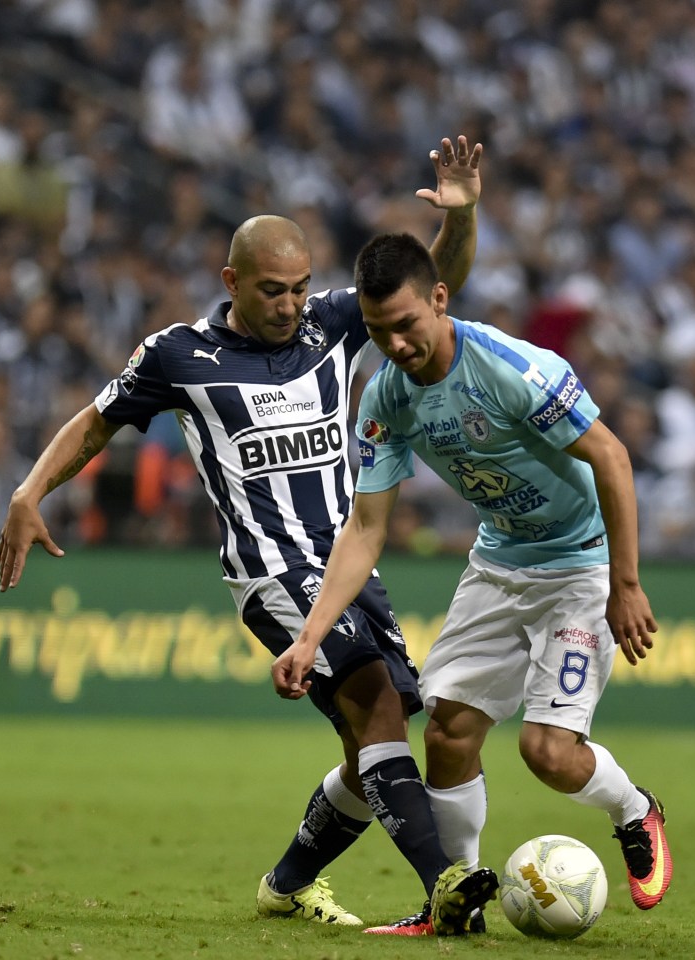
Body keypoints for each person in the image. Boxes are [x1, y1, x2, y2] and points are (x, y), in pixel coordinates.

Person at [0, 136, 499, 935]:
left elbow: (437, 285)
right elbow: (96, 422)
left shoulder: (332, 324)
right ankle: (445, 883)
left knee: (373, 751)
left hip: (346, 565)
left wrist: (464, 212)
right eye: (273, 291)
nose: (293, 304)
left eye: (301, 289)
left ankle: (288, 883)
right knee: (374, 706)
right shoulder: (180, 355)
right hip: (270, 572)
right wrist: (30, 490)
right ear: (232, 282)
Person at [272, 231, 673, 936]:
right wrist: (309, 637)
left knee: (548, 753)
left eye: (406, 326)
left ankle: (634, 811)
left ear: (438, 298)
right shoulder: (386, 400)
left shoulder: (514, 368)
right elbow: (364, 529)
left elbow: (611, 457)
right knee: (449, 733)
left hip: (580, 566)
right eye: (377, 332)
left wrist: (626, 582)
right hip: (500, 564)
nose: (395, 345)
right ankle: (455, 904)